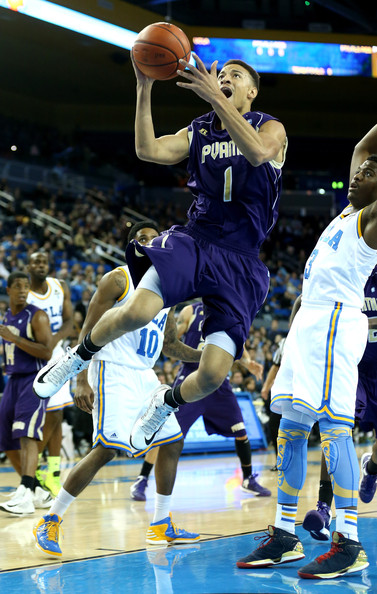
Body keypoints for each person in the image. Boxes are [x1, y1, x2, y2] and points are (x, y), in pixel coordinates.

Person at [33, 52, 287, 459]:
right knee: (136, 311)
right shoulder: (199, 129)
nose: (223, 78)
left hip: (242, 259)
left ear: (252, 92)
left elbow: (257, 153)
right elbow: (148, 149)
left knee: (210, 376)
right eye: (220, 74)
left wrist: (215, 97)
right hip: (196, 239)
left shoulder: (270, 127)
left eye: (234, 76)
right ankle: (76, 359)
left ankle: (165, 402)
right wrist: (144, 87)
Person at [236, 124, 377, 579]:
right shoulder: (345, 213)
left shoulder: (370, 219)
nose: (358, 174)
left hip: (337, 322)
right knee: (290, 432)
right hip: (307, 325)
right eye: (361, 171)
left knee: (336, 431)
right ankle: (284, 534)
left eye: (371, 172)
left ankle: (350, 542)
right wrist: (283, 352)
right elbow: (361, 145)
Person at [33, 222, 201, 557]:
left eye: (156, 238)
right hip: (112, 368)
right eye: (143, 239)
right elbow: (88, 328)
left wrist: (209, 358)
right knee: (107, 448)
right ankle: (50, 519)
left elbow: (169, 344)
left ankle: (160, 523)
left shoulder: (167, 288)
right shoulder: (119, 279)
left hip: (144, 375)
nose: (151, 242)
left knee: (172, 440)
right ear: (132, 246)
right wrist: (79, 377)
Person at [131, 301, 271, 501]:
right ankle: (142, 478)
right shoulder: (190, 311)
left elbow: (237, 341)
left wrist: (247, 363)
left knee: (240, 431)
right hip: (190, 377)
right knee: (166, 433)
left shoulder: (228, 308)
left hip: (218, 381)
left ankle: (248, 479)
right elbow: (170, 339)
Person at [303, 265, 377, 540]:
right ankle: (324, 509)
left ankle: (371, 469)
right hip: (352, 369)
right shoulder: (353, 271)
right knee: (335, 432)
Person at [0, 272, 53, 514]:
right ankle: (37, 490)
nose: (23, 290)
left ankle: (26, 492)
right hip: (12, 380)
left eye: (26, 287)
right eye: (18, 287)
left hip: (34, 380)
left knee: (27, 434)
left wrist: (13, 338)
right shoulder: (7, 316)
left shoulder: (37, 315)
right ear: (8, 290)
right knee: (7, 439)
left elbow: (46, 352)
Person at [27, 251, 74, 497]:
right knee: (50, 415)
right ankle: (32, 469)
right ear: (28, 265)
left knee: (58, 412)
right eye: (35, 261)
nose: (40, 265)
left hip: (56, 355)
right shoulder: (24, 294)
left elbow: (70, 322)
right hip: (33, 358)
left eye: (44, 261)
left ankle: (52, 473)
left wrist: (53, 341)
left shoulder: (59, 287)